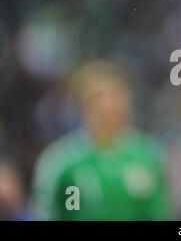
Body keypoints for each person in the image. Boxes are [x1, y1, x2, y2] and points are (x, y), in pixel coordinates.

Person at [31, 61, 171, 220]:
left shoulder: (147, 155)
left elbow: (159, 212)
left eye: (118, 96)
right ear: (84, 104)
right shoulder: (63, 162)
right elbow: (49, 213)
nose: (111, 105)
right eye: (101, 98)